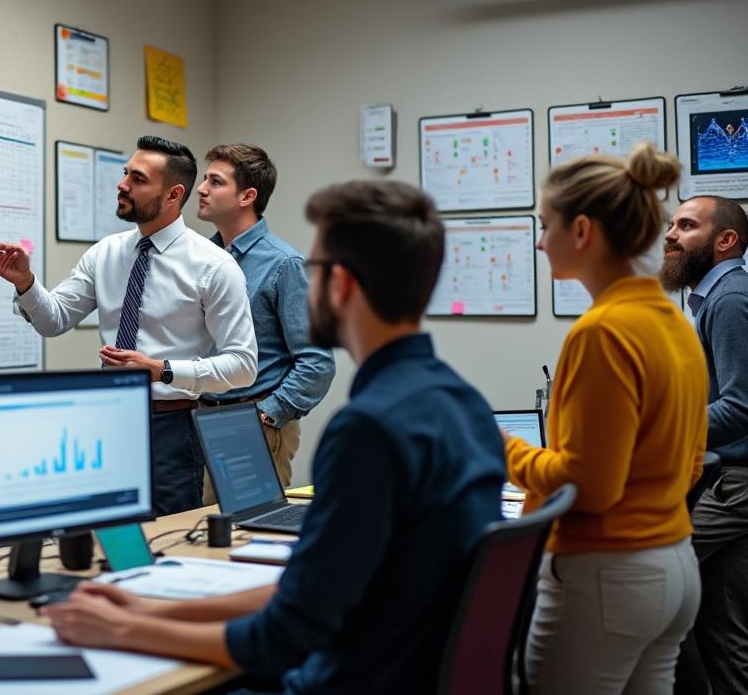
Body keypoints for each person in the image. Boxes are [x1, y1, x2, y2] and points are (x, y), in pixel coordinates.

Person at [44, 180, 506, 693]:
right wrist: (158, 606)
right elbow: (308, 592)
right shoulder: (460, 402)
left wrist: (125, 630)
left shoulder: (370, 428)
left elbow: (284, 636)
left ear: (342, 286)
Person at [506, 143, 707, 694]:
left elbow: (590, 488)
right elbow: (688, 467)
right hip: (672, 568)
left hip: (607, 575)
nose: (540, 240)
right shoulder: (674, 321)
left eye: (546, 225)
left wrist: (501, 450)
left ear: (583, 231)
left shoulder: (602, 331)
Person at [0, 135, 257, 515]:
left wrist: (161, 371)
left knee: (168, 542)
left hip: (171, 429)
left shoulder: (213, 266)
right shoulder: (106, 253)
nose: (123, 184)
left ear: (173, 194)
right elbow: (54, 321)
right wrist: (26, 284)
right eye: (125, 173)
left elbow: (243, 365)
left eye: (139, 178)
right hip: (106, 423)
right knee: (106, 537)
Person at [661, 195, 748, 694]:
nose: (670, 235)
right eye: (672, 224)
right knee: (727, 634)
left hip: (746, 487)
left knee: (647, 571)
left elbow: (743, 409)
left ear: (725, 240)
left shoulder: (732, 301)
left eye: (686, 226)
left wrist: (653, 432)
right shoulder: (732, 296)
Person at [196, 143, 335, 493]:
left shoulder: (284, 264)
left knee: (248, 538)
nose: (202, 188)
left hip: (253, 423)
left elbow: (317, 362)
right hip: (200, 421)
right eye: (204, 179)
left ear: (247, 196)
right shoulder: (201, 258)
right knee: (195, 535)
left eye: (215, 181)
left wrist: (267, 415)